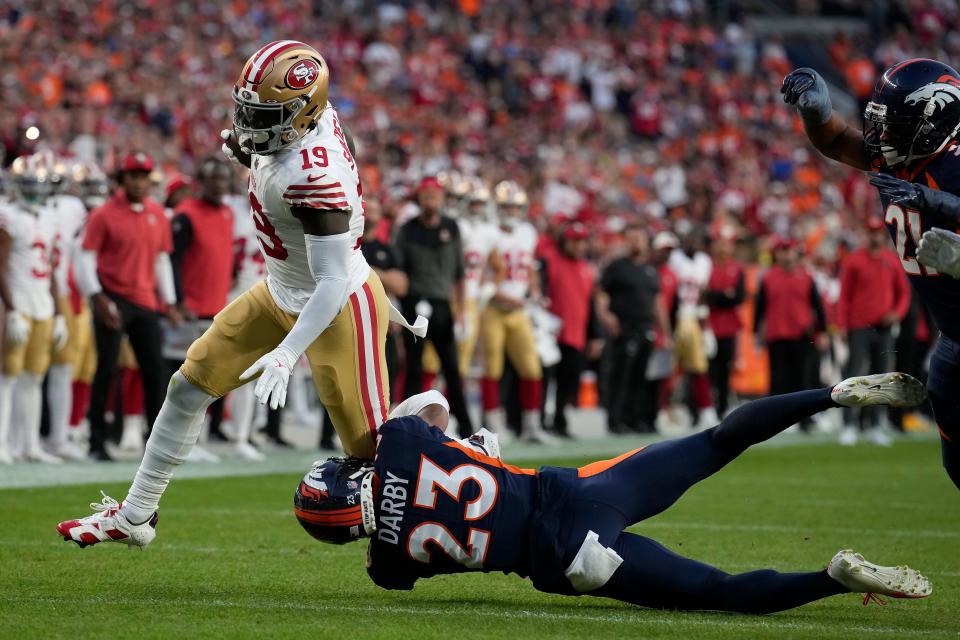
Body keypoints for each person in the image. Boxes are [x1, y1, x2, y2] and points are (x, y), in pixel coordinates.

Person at [56, 40, 425, 547]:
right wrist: (250, 147)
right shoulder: (305, 124)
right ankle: (135, 516)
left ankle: (453, 478)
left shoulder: (317, 178)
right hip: (280, 291)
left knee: (374, 454)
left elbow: (333, 280)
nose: (250, 124)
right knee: (188, 385)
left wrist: (287, 353)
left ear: (304, 112)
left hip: (339, 306)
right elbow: (273, 153)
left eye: (264, 115)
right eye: (248, 109)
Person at [287, 374, 930, 614]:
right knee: (715, 441)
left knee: (719, 594)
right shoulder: (399, 442)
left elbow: (403, 537)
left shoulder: (386, 567)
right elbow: (432, 408)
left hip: (570, 561)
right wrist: (473, 452)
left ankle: (834, 577)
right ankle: (832, 395)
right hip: (575, 492)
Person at [782, 59, 960, 487]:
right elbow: (839, 140)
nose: (881, 136)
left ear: (933, 122)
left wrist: (939, 205)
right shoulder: (899, 158)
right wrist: (815, 112)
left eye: (894, 125)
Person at [74, 152, 179, 461]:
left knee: (154, 372)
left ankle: (156, 443)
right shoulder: (104, 214)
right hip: (113, 298)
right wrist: (97, 296)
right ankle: (96, 441)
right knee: (106, 369)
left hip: (145, 300)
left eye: (143, 175)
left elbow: (161, 258)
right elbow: (85, 256)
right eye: (133, 175)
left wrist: (169, 301)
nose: (138, 181)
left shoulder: (157, 214)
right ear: (123, 179)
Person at [168, 158, 245, 458]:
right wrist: (178, 300)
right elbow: (172, 260)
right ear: (201, 182)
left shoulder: (226, 213)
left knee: (209, 378)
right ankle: (184, 443)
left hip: (217, 306)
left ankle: (196, 440)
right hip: (192, 307)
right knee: (187, 379)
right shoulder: (185, 215)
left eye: (224, 180)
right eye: (213, 180)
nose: (219, 186)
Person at [0, 155, 67, 463]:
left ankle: (28, 445)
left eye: (35, 185)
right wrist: (11, 309)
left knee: (34, 377)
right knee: (7, 376)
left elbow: (52, 268)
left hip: (42, 303)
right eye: (26, 184)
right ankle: (3, 443)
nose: (32, 191)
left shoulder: (49, 218)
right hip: (18, 301)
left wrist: (59, 313)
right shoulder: (8, 215)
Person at [395, 177, 473, 436]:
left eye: (435, 195)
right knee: (414, 368)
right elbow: (399, 273)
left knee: (452, 367)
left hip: (441, 305)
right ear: (420, 199)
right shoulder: (407, 230)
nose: (431, 200)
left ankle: (467, 425)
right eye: (426, 195)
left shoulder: (452, 227)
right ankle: (405, 428)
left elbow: (460, 273)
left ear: (441, 199)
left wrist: (461, 311)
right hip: (414, 305)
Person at [479, 180, 549, 442]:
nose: (512, 211)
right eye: (507, 206)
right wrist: (504, 295)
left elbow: (529, 266)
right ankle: (492, 427)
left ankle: (532, 425)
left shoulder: (528, 232)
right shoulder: (486, 232)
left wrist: (535, 291)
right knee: (492, 367)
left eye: (516, 207)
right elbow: (480, 275)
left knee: (531, 367)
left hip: (519, 310)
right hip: (493, 308)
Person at [835, 218, 910, 446]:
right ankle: (849, 424)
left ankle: (876, 425)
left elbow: (904, 294)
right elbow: (844, 296)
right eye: (872, 232)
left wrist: (897, 314)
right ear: (867, 234)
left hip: (884, 326)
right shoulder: (854, 260)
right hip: (859, 325)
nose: (875, 236)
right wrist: (841, 325)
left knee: (881, 377)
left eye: (878, 232)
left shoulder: (891, 260)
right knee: (854, 375)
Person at [597, 224, 670, 433]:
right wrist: (606, 316)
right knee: (621, 375)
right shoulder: (616, 267)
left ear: (646, 243)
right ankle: (616, 420)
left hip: (645, 327)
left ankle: (637, 419)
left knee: (643, 377)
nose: (636, 242)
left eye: (640, 238)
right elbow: (601, 293)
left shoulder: (650, 270)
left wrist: (665, 332)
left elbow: (657, 303)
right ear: (626, 241)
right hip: (624, 327)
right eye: (632, 238)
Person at [42, 157, 90, 461]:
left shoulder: (73, 209)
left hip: (66, 295)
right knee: (19, 372)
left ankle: (59, 436)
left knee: (63, 369)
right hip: (39, 291)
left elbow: (78, 256)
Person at [754, 237, 827, 411]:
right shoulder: (768, 278)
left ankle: (804, 418)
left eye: (789, 251)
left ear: (795, 253)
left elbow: (817, 306)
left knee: (802, 378)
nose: (787, 255)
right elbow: (759, 307)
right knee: (778, 379)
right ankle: (778, 417)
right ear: (777, 255)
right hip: (776, 334)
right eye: (783, 251)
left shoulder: (807, 277)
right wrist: (755, 331)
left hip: (801, 334)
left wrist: (823, 331)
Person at [542, 222, 595, 437]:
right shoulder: (551, 259)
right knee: (545, 379)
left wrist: (594, 335)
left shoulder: (586, 268)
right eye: (574, 240)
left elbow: (589, 304)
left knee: (567, 382)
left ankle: (559, 422)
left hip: (576, 333)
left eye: (581, 241)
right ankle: (537, 422)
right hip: (550, 332)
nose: (578, 246)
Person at [668, 225, 718, 430]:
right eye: (688, 238)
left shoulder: (704, 262)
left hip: (692, 318)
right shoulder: (674, 259)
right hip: (675, 317)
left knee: (697, 367)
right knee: (669, 369)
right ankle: (665, 413)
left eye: (695, 239)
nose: (692, 242)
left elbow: (703, 295)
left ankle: (705, 411)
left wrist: (706, 326)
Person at [703, 230, 745, 417]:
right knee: (708, 368)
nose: (722, 247)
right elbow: (704, 294)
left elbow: (739, 297)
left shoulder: (736, 268)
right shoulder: (707, 266)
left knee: (725, 367)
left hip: (728, 326)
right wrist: (723, 294)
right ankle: (708, 407)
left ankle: (722, 406)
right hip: (708, 325)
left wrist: (717, 296)